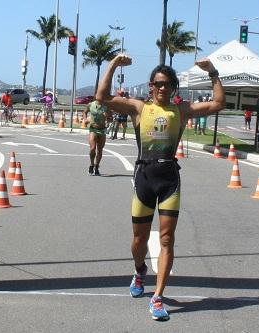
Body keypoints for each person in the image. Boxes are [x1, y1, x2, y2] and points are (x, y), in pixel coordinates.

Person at [96, 54, 225, 321]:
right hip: (144, 177)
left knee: (167, 239)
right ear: (151, 85)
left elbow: (218, 103)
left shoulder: (181, 110)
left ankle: (157, 297)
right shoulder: (138, 108)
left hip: (169, 179)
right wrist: (113, 65)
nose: (163, 88)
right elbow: (102, 97)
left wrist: (213, 71)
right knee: (138, 241)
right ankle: (139, 270)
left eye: (168, 84)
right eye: (158, 84)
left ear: (174, 88)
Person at [84, 100, 110, 175]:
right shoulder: (90, 104)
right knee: (92, 148)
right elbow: (85, 111)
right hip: (93, 129)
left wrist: (107, 116)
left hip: (102, 130)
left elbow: (110, 118)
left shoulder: (106, 106)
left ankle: (96, 166)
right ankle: (92, 164)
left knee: (100, 150)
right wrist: (85, 119)